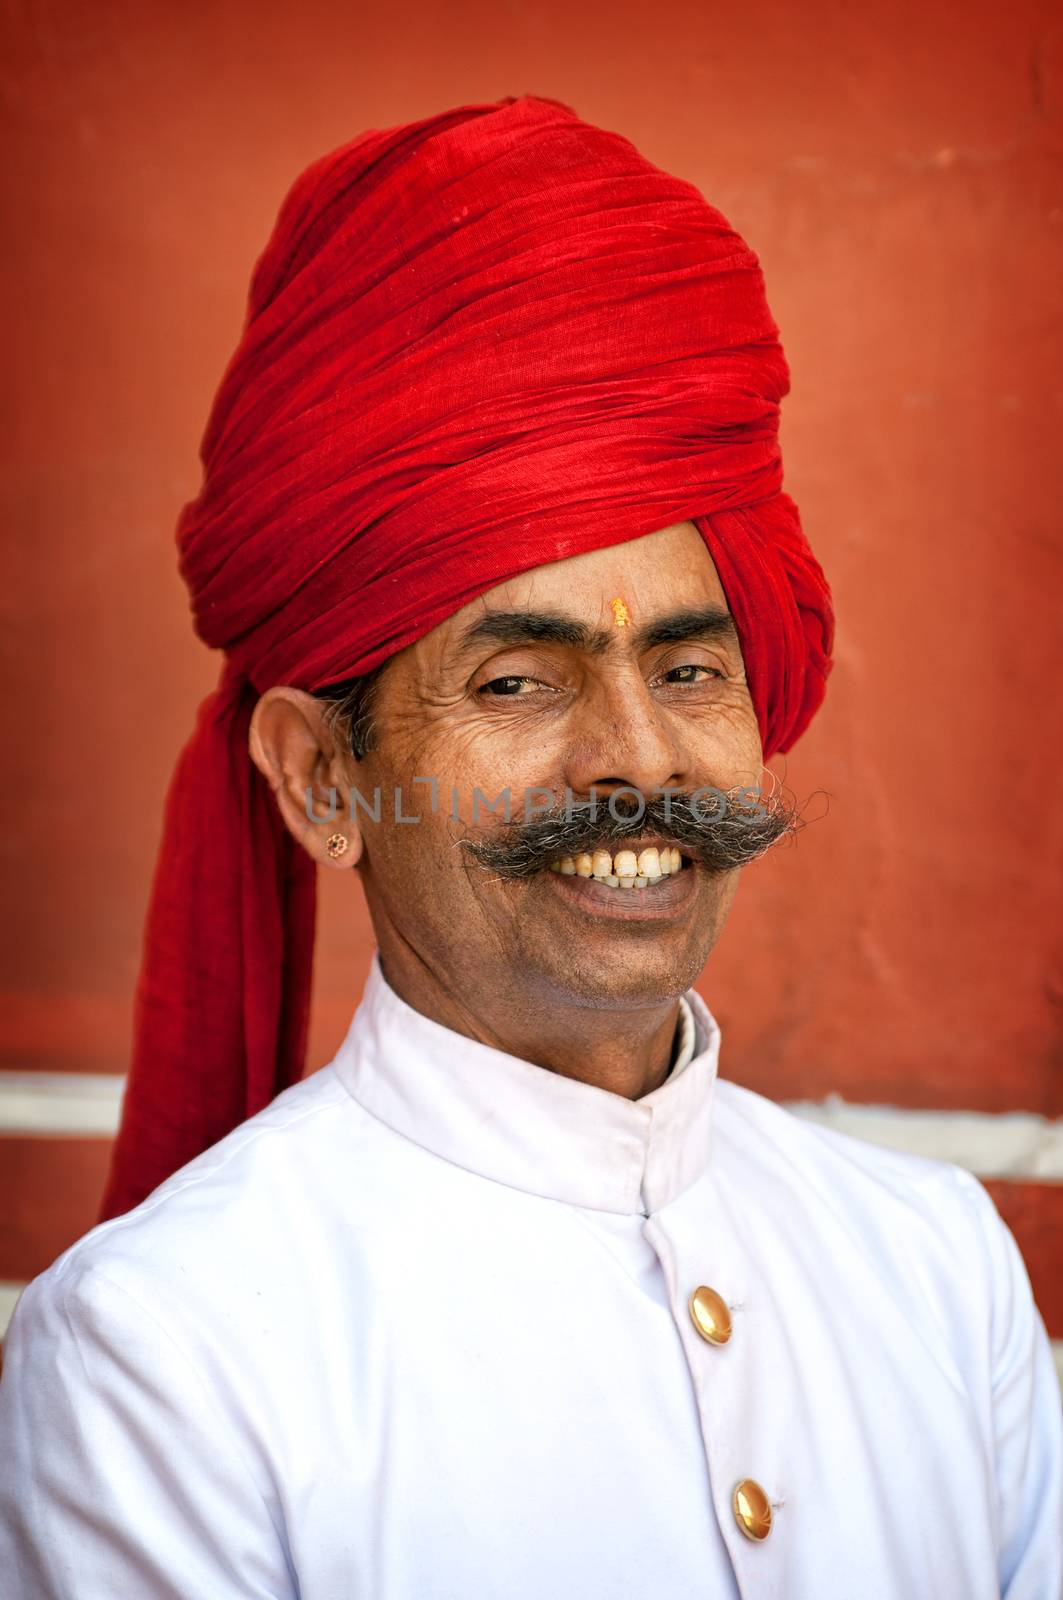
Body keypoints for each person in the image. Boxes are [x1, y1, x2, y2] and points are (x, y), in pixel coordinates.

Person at [0, 94, 1059, 1600]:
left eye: (691, 670)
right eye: (518, 680)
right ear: (320, 779)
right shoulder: (167, 1357)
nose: (637, 755)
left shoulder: (936, 1271)